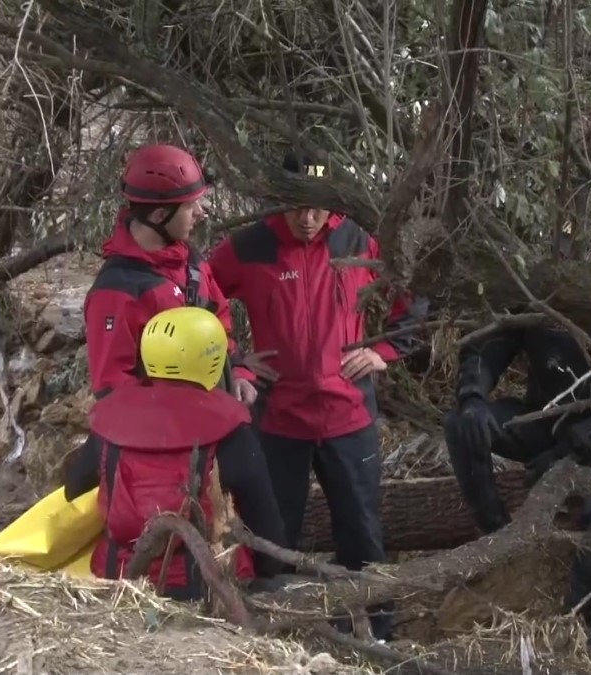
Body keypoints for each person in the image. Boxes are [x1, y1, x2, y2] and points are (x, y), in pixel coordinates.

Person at [206, 150, 429, 641]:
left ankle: (378, 637)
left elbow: (413, 292)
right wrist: (236, 360)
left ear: (334, 202)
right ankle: (278, 639)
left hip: (348, 416)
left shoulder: (360, 238)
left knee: (363, 535)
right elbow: (203, 296)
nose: (307, 219)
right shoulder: (252, 245)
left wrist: (386, 350)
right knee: (272, 541)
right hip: (279, 419)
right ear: (279, 199)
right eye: (296, 206)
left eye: (318, 207)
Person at [65, 143, 258, 500]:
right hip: (167, 455)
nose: (201, 212)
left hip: (213, 425)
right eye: (191, 206)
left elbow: (220, 322)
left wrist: (239, 372)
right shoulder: (116, 293)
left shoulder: (191, 264)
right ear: (158, 216)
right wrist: (173, 441)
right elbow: (113, 392)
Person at [444, 319, 591, 639]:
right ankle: (499, 539)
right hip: (549, 422)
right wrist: (472, 397)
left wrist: (566, 453)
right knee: (463, 425)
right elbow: (487, 349)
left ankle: (577, 618)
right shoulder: (536, 298)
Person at [78, 306, 289, 596]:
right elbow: (267, 528)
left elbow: (73, 487)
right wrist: (267, 573)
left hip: (116, 581)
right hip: (201, 586)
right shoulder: (231, 428)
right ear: (213, 360)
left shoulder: (112, 421)